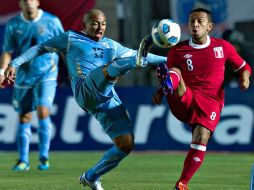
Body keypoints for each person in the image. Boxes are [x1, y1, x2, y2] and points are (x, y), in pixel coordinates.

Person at [4, 9, 166, 190]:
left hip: (107, 98)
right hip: (84, 89)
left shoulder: (111, 46)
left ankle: (91, 177)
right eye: (95, 23)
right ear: (84, 25)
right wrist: (14, 63)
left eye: (103, 23)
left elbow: (144, 56)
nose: (100, 27)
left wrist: (171, 60)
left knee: (126, 144)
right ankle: (133, 63)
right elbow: (40, 47)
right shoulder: (71, 38)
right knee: (111, 68)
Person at [150, 8, 252, 190]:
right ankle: (168, 84)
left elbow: (244, 67)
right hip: (185, 96)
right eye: (191, 21)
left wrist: (244, 78)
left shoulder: (223, 47)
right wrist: (160, 90)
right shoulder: (178, 50)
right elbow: (173, 72)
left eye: (200, 21)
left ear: (209, 26)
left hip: (211, 102)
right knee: (175, 71)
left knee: (201, 136)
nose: (195, 25)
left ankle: (182, 183)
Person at [0, 0, 64, 171]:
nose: (28, 3)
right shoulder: (14, 24)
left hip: (47, 74)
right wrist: (1, 72)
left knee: (43, 110)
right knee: (24, 117)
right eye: (24, 1)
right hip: (23, 77)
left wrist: (72, 72)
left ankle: (44, 157)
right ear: (20, 4)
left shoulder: (52, 21)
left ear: (37, 2)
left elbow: (64, 46)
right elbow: (7, 51)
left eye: (31, 0)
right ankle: (23, 160)